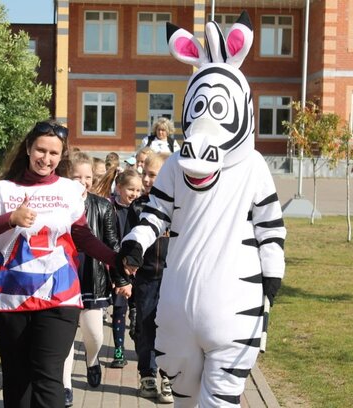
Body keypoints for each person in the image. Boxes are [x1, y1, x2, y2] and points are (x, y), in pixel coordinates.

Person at [119, 14, 286, 408]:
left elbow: (269, 226)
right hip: (178, 307)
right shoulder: (175, 164)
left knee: (220, 399)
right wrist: (135, 242)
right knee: (184, 396)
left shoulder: (252, 166)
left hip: (234, 302)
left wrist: (272, 275)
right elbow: (156, 212)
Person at [0, 120, 131, 408]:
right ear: (28, 149)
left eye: (53, 153)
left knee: (48, 377)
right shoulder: (2, 189)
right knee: (17, 378)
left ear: (61, 156)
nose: (46, 158)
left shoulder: (69, 190)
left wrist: (116, 261)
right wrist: (10, 218)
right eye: (40, 150)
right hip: (11, 297)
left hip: (60, 295)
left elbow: (83, 237)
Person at [62, 151, 120, 405]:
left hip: (92, 276)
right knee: (63, 337)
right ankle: (65, 386)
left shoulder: (103, 206)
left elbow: (112, 244)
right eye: (77, 177)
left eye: (87, 177)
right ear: (67, 178)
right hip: (63, 276)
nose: (83, 182)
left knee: (94, 334)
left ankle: (92, 359)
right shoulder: (58, 203)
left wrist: (121, 277)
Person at [125, 153, 173, 403]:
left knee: (170, 327)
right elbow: (128, 240)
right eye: (144, 173)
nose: (145, 179)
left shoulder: (177, 206)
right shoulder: (137, 207)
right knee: (145, 327)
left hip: (171, 277)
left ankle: (168, 377)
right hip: (145, 279)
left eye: (152, 175)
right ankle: (147, 375)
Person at [96, 168, 142, 368]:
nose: (135, 194)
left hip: (138, 268)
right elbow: (108, 241)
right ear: (119, 188)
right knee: (119, 309)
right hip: (118, 267)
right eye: (131, 189)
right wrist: (114, 270)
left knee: (138, 309)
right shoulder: (111, 209)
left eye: (138, 190)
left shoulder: (141, 209)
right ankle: (119, 351)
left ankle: (138, 337)